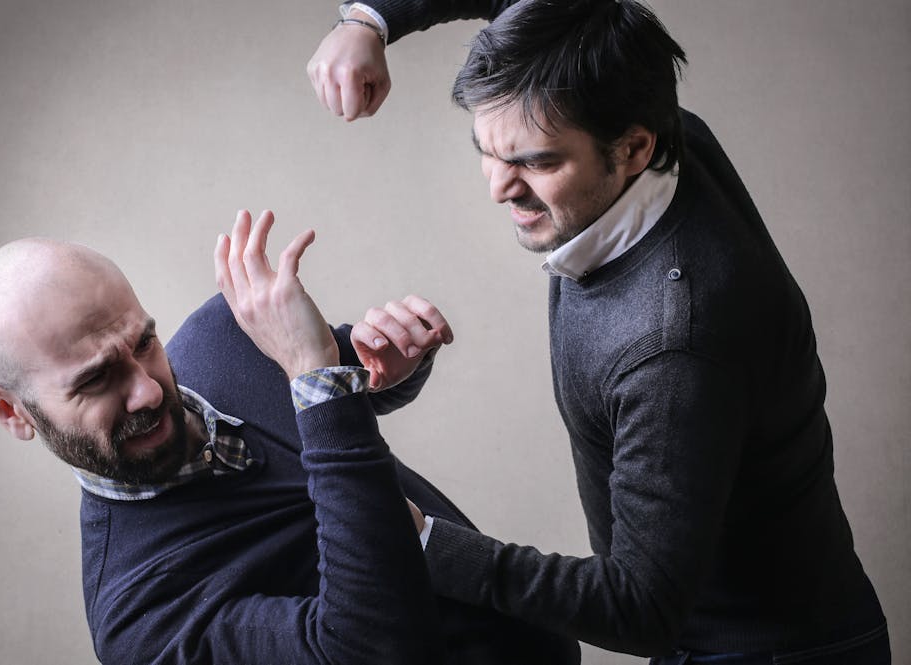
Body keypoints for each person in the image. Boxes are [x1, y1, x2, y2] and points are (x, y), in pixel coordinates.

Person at [307, 1, 891, 663]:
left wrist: (421, 542)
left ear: (634, 147)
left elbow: (639, 608)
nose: (501, 187)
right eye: (486, 151)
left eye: (535, 162)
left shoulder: (675, 344)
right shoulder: (643, 118)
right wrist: (370, 20)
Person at [0, 209, 581, 664]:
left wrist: (389, 364)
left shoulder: (223, 333)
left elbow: (346, 387)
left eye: (143, 342)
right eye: (96, 379)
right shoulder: (140, 619)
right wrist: (319, 383)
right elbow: (373, 651)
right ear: (11, 413)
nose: (149, 390)